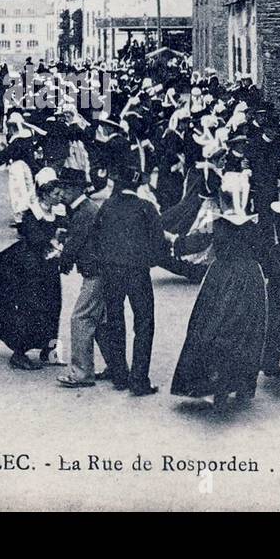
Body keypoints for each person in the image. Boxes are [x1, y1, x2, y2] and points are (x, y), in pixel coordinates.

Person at [170, 188, 267, 410]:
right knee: (246, 331)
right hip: (251, 279)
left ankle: (215, 384)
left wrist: (174, 242)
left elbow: (199, 242)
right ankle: (240, 385)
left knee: (213, 327)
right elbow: (265, 253)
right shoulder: (254, 226)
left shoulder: (219, 224)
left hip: (222, 277)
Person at [0, 167, 66, 370]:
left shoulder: (59, 211)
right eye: (56, 193)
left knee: (53, 305)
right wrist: (56, 239)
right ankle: (19, 353)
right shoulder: (31, 213)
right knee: (29, 308)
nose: (60, 196)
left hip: (48, 268)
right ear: (45, 193)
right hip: (29, 268)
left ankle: (48, 350)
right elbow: (35, 239)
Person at [92, 161, 170, 396]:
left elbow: (96, 238)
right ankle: (138, 379)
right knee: (144, 323)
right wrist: (148, 260)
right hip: (137, 272)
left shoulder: (106, 206)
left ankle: (119, 375)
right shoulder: (146, 208)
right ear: (137, 186)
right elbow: (159, 245)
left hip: (111, 272)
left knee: (115, 321)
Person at [55, 170, 105, 388]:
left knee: (80, 319)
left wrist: (62, 262)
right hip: (101, 271)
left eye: (65, 188)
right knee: (101, 321)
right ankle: (116, 366)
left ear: (76, 189)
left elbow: (75, 242)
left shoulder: (84, 211)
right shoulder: (84, 209)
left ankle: (81, 373)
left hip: (96, 272)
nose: (61, 192)